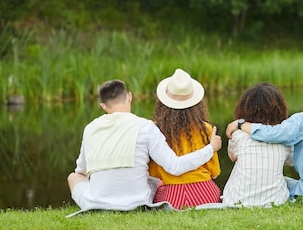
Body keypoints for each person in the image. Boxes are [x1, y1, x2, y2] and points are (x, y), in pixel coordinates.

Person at [67, 79, 222, 214]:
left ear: (103, 106)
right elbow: (175, 166)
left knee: (74, 177)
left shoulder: (90, 128)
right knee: (153, 179)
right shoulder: (145, 127)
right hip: (138, 202)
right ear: (129, 96)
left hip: (97, 203)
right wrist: (210, 149)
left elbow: (81, 171)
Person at [148, 69, 222, 208]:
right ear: (196, 104)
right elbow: (215, 172)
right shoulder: (206, 129)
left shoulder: (154, 130)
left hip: (172, 197)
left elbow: (153, 173)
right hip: (206, 194)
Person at [223, 82, 293, 207]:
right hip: (275, 202)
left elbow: (233, 157)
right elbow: (291, 160)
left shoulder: (237, 135)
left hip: (235, 200)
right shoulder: (283, 138)